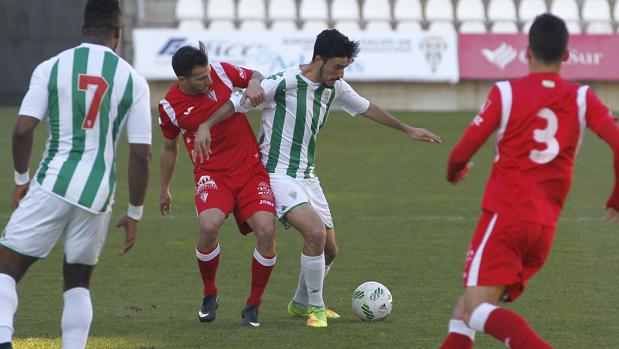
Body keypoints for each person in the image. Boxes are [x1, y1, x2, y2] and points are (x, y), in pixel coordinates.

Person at [192, 29, 442, 328]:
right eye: (337, 67)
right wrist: (206, 124)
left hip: (308, 177)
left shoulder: (334, 87)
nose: (341, 73)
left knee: (330, 250)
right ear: (318, 60)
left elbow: (366, 107)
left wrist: (407, 129)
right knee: (314, 233)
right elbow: (237, 103)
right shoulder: (284, 82)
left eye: (345, 68)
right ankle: (317, 308)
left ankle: (299, 303)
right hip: (276, 173)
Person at [439, 13, 619, 349]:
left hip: (505, 218)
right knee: (464, 310)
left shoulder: (506, 93)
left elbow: (460, 154)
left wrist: (455, 172)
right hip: (543, 230)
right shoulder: (583, 98)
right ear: (567, 55)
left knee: (476, 309)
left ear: (526, 52)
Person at [0, 0, 152, 348]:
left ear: (83, 29)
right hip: (99, 193)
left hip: (53, 182)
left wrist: (22, 180)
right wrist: (134, 213)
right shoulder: (133, 80)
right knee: (78, 283)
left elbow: (23, 130)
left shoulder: (51, 67)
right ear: (118, 33)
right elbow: (141, 154)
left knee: (5, 269)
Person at [158, 42, 276, 328]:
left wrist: (253, 83)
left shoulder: (221, 71)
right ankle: (210, 293)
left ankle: (253, 303)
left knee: (266, 229)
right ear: (182, 80)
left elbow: (256, 74)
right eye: (200, 78)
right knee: (208, 226)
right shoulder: (169, 107)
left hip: (250, 170)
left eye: (208, 73)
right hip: (212, 174)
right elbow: (169, 148)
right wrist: (164, 188)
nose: (209, 81)